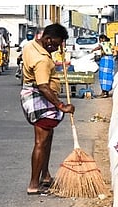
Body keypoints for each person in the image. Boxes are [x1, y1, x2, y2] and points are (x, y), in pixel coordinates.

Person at [19, 23, 75, 195]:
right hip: (40, 99)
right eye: (56, 44)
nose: (58, 48)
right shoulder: (42, 60)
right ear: (48, 39)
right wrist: (61, 105)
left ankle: (45, 176)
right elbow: (43, 86)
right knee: (41, 142)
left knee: (47, 137)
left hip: (31, 93)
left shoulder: (31, 46)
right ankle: (33, 184)